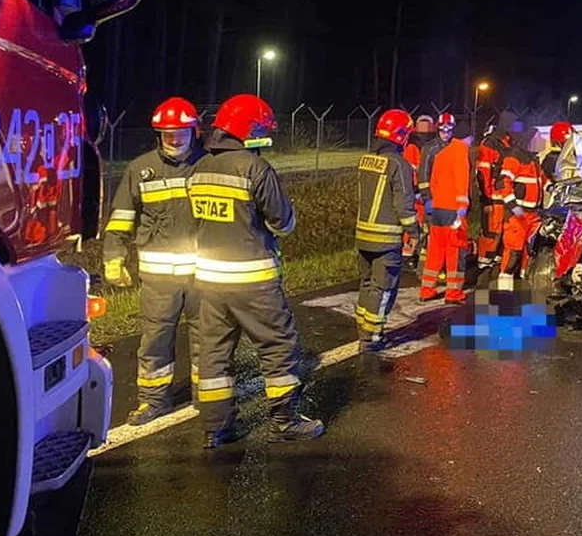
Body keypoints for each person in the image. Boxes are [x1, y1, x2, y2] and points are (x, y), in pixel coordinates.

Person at [190, 94, 323, 448]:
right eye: (262, 130)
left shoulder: (199, 167)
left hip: (210, 281)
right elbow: (284, 223)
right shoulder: (254, 168)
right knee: (278, 346)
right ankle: (285, 420)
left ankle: (216, 429)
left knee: (214, 354)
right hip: (253, 281)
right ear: (248, 130)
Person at [102, 97, 203, 425]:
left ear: (193, 130)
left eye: (180, 133)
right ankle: (154, 401)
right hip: (158, 278)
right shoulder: (140, 169)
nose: (174, 139)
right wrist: (113, 258)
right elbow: (121, 218)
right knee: (156, 339)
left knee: (208, 335)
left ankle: (209, 397)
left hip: (204, 273)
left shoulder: (210, 165)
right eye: (167, 133)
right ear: (159, 133)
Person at [354, 109, 418, 351]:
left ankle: (363, 330)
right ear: (401, 135)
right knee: (383, 289)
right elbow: (403, 204)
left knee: (367, 284)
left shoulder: (365, 160)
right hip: (386, 240)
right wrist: (414, 232)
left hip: (362, 237)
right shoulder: (399, 164)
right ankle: (372, 339)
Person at [417, 112, 472, 302]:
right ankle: (453, 292)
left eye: (449, 129)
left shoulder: (446, 151)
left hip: (440, 208)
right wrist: (462, 205)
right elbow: (459, 181)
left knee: (435, 249)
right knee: (455, 250)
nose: (445, 132)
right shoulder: (448, 151)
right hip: (450, 209)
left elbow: (433, 178)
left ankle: (427, 289)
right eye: (443, 129)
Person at [497, 125, 544, 287]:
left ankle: (524, 287)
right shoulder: (514, 158)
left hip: (533, 215)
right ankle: (504, 291)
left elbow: (542, 181)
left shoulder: (533, 159)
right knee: (513, 254)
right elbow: (503, 184)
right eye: (538, 138)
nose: (542, 141)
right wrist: (514, 207)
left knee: (529, 254)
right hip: (518, 216)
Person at [475, 110, 519, 273]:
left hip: (506, 196)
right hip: (492, 197)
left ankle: (496, 263)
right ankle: (484, 265)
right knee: (491, 232)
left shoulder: (508, 143)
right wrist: (486, 199)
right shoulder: (490, 143)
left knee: (502, 232)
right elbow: (483, 174)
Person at [402, 114, 436, 265]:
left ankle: (414, 253)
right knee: (419, 225)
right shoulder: (430, 146)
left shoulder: (412, 146)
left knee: (417, 224)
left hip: (421, 193)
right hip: (423, 193)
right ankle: (414, 253)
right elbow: (411, 170)